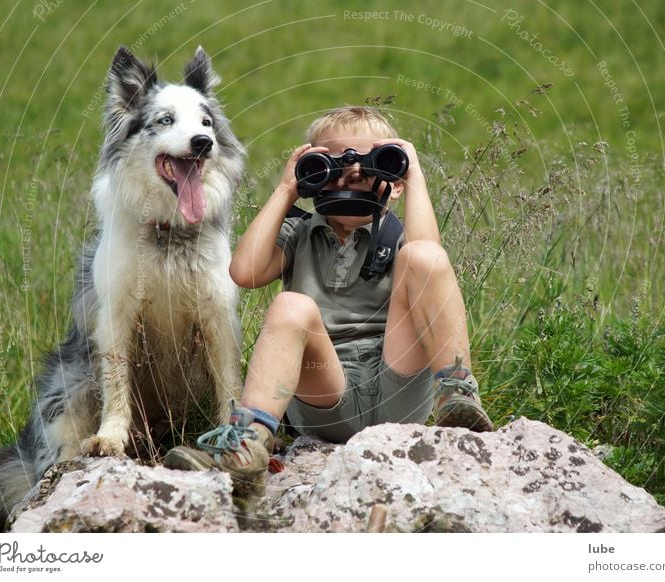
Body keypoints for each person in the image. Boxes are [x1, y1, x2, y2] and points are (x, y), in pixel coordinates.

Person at [165, 107, 492, 492]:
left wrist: (414, 175)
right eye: (334, 163)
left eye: (372, 163)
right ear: (313, 173)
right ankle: (248, 444)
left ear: (394, 177)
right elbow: (245, 272)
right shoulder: (298, 233)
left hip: (398, 384)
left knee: (425, 256)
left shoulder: (405, 236)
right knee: (291, 305)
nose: (353, 172)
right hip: (323, 391)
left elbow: (430, 261)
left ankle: (457, 395)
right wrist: (287, 189)